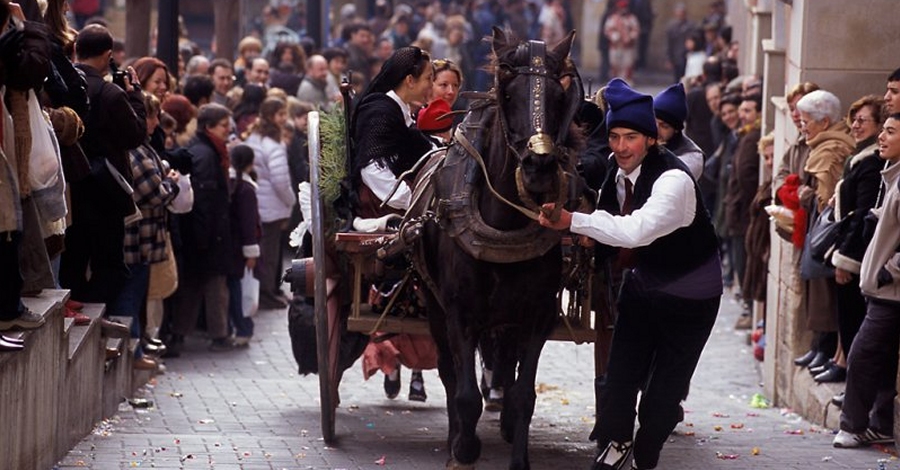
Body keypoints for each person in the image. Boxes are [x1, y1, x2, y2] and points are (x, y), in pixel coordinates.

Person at [538, 79, 721, 470]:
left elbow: (636, 230)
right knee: (618, 378)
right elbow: (609, 221)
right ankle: (617, 442)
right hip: (643, 286)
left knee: (661, 399)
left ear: (651, 140)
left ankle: (646, 452)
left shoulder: (674, 180)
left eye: (631, 138)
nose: (621, 147)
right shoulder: (614, 171)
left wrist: (574, 221)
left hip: (691, 297)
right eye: (616, 137)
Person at [350, 46, 436, 401]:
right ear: (409, 80)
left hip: (402, 197)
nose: (432, 85)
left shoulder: (403, 112)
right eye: (429, 78)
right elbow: (373, 171)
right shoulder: (381, 112)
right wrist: (415, 202)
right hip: (376, 205)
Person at [832, 112, 900, 449]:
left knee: (862, 353)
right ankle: (879, 422)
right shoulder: (891, 175)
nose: (882, 138)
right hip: (883, 286)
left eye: (889, 131)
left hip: (891, 288)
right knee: (882, 358)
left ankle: (853, 425)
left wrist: (892, 269)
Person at [817, 95, 886, 386]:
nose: (855, 125)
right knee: (847, 318)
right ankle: (842, 366)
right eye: (853, 119)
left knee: (854, 321)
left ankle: (852, 380)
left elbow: (861, 214)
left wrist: (846, 257)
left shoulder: (871, 163)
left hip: (858, 253)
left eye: (862, 120)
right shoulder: (861, 157)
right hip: (850, 247)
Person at [109, 92, 179, 370]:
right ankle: (132, 352)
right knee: (130, 294)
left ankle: (135, 349)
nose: (156, 122)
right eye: (153, 115)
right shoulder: (136, 150)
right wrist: (172, 183)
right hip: (137, 237)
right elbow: (155, 193)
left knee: (135, 294)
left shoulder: (141, 146)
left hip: (144, 236)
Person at [794, 89, 854, 372]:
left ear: (825, 122)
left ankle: (827, 349)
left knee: (826, 294)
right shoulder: (820, 144)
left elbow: (825, 200)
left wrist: (805, 195)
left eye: (807, 121)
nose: (802, 127)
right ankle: (820, 346)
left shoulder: (832, 148)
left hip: (827, 235)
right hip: (816, 231)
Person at [169, 103, 234, 353]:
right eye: (224, 126)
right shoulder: (207, 154)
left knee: (195, 285)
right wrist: (205, 237)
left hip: (204, 233)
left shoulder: (205, 150)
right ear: (209, 127)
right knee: (211, 285)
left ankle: (180, 335)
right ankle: (217, 335)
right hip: (207, 234)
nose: (228, 130)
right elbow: (205, 200)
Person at [244, 97, 294, 310]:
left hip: (260, 203)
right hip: (271, 206)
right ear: (271, 116)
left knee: (267, 252)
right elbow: (280, 180)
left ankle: (269, 291)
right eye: (281, 114)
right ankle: (266, 293)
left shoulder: (254, 137)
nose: (284, 119)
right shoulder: (274, 143)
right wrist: (291, 201)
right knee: (270, 254)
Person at [226, 145, 260, 348]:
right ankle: (243, 327)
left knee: (235, 287)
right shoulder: (246, 189)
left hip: (230, 245)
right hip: (241, 247)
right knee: (240, 288)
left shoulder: (230, 184)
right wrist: (252, 251)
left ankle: (237, 326)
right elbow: (249, 224)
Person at [652, 83, 703, 179]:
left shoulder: (692, 155)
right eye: (653, 122)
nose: (656, 129)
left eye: (664, 126)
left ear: (676, 129)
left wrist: (657, 152)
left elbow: (667, 181)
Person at [603, 0, 640, 82]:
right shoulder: (613, 18)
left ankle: (627, 82)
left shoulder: (632, 18)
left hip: (628, 47)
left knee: (628, 65)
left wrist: (630, 37)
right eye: (621, 7)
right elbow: (607, 30)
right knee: (615, 65)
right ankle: (615, 82)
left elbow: (636, 30)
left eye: (625, 7)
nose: (623, 9)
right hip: (616, 47)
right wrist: (614, 36)